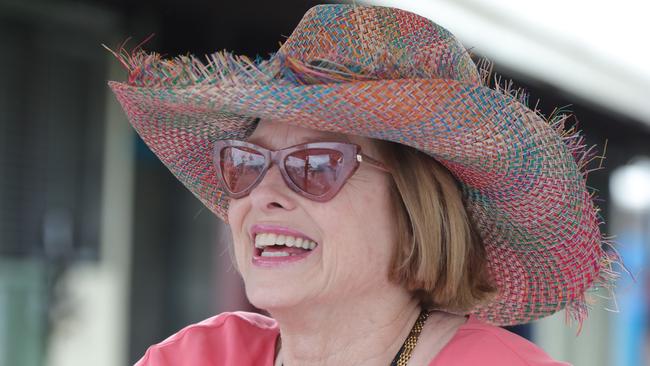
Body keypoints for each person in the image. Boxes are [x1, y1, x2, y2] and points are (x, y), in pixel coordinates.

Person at [107, 4, 620, 365]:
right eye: (247, 163)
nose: (262, 193)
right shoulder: (193, 360)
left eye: (314, 165)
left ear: (417, 210)